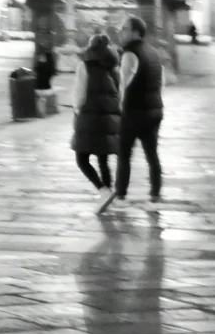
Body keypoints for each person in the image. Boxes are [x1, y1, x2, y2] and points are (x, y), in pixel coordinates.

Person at [103, 16, 166, 213]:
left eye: (125, 29)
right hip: (155, 109)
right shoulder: (153, 52)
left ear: (136, 32)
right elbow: (160, 81)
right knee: (152, 154)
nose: (121, 32)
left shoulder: (130, 54)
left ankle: (121, 196)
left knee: (124, 154)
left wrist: (119, 110)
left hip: (135, 112)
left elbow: (124, 85)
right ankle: (155, 197)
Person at [71, 34, 121, 193]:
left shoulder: (83, 67)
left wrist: (76, 110)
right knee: (103, 159)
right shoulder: (113, 68)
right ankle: (108, 189)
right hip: (109, 119)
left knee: (81, 159)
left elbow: (80, 96)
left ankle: (103, 190)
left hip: (89, 117)